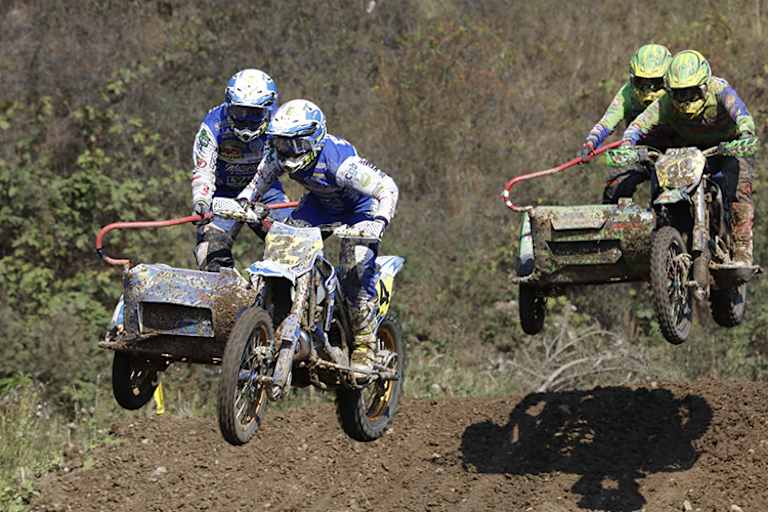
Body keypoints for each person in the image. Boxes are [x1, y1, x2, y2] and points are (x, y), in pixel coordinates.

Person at [237, 99, 399, 375]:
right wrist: (243, 202)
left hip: (360, 210)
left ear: (313, 138)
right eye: (281, 143)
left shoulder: (342, 164)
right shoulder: (277, 155)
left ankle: (364, 344)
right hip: (320, 206)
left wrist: (379, 222)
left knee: (354, 271)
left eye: (294, 144)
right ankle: (281, 317)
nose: (287, 152)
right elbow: (258, 180)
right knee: (283, 249)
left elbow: (388, 188)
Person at [622, 50, 759, 266]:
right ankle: (665, 242)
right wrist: (628, 143)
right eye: (679, 94)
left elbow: (741, 113)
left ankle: (742, 250)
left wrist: (746, 133)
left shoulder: (720, 90)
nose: (685, 101)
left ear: (704, 86)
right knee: (664, 180)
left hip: (729, 148)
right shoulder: (665, 103)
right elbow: (640, 123)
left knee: (739, 191)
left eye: (691, 93)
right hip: (691, 151)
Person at [191, 69, 291, 272]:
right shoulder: (213, 125)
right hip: (222, 194)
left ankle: (303, 295)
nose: (246, 120)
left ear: (268, 108)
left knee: (294, 243)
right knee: (208, 250)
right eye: (239, 112)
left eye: (254, 113)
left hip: (266, 193)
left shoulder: (279, 126)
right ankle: (223, 295)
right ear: (228, 105)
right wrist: (201, 200)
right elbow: (203, 169)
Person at [578, 43, 676, 203]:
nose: (648, 92)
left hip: (677, 152)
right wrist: (590, 144)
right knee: (615, 186)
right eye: (641, 83)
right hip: (639, 152)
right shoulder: (628, 93)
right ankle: (612, 224)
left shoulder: (679, 94)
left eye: (656, 83)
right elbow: (606, 123)